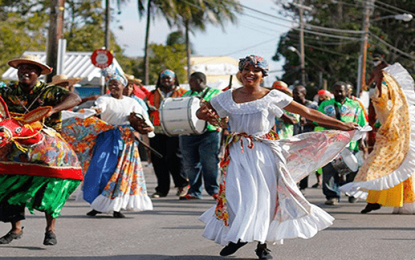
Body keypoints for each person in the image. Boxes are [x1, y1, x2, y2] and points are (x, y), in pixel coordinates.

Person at [197, 55, 361, 259]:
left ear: (263, 74)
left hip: (264, 153)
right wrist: (206, 114)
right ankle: (240, 235)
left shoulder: (273, 96)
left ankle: (262, 245)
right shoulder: (226, 97)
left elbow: (308, 113)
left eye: (255, 70)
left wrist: (342, 125)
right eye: (246, 69)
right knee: (235, 195)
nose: (250, 73)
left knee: (264, 199)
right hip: (237, 153)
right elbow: (201, 113)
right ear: (240, 72)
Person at [0, 55, 82, 246]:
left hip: (47, 141)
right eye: (21, 69)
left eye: (29, 69)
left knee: (52, 182)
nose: (24, 72)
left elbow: (75, 98)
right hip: (14, 140)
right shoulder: (8, 91)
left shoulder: (49, 91)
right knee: (8, 181)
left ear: (38, 73)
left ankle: (50, 229)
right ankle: (16, 228)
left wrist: (53, 110)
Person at [75, 68, 155, 218]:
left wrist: (147, 129)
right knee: (100, 168)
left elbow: (145, 121)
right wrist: (95, 110)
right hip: (106, 138)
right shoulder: (104, 99)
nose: (112, 86)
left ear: (123, 85)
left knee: (122, 172)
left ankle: (117, 206)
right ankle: (97, 204)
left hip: (126, 141)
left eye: (116, 83)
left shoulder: (132, 102)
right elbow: (100, 107)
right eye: (110, 84)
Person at [341, 63, 415, 214]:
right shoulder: (381, 94)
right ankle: (373, 200)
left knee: (403, 168)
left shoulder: (399, 99)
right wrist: (378, 79)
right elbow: (380, 96)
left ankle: (404, 202)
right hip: (387, 137)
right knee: (375, 167)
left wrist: (380, 76)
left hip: (401, 138)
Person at [318, 81, 367, 205]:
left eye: (341, 91)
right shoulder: (325, 105)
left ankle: (353, 192)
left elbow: (361, 124)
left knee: (355, 168)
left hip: (351, 143)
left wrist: (362, 142)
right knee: (329, 170)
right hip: (330, 142)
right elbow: (317, 120)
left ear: (347, 92)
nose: (339, 93)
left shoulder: (355, 105)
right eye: (336, 91)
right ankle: (332, 196)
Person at [146, 69, 189, 198]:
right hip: (157, 130)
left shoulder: (183, 93)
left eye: (169, 78)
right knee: (158, 160)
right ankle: (162, 189)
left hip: (175, 129)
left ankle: (182, 185)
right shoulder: (152, 94)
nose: (166, 80)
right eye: (163, 78)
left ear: (174, 79)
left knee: (175, 159)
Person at [179, 72, 221, 201]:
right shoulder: (186, 95)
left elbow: (220, 110)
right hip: (188, 133)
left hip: (209, 132)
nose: (189, 83)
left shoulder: (215, 94)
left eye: (192, 81)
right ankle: (194, 191)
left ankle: (214, 190)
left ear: (200, 80)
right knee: (190, 164)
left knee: (209, 162)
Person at [292, 85, 319, 192]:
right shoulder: (291, 105)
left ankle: (302, 186)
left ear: (303, 94)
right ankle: (293, 185)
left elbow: (318, 120)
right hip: (293, 138)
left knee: (304, 163)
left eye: (297, 93)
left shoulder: (312, 106)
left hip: (307, 138)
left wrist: (307, 121)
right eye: (293, 93)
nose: (294, 95)